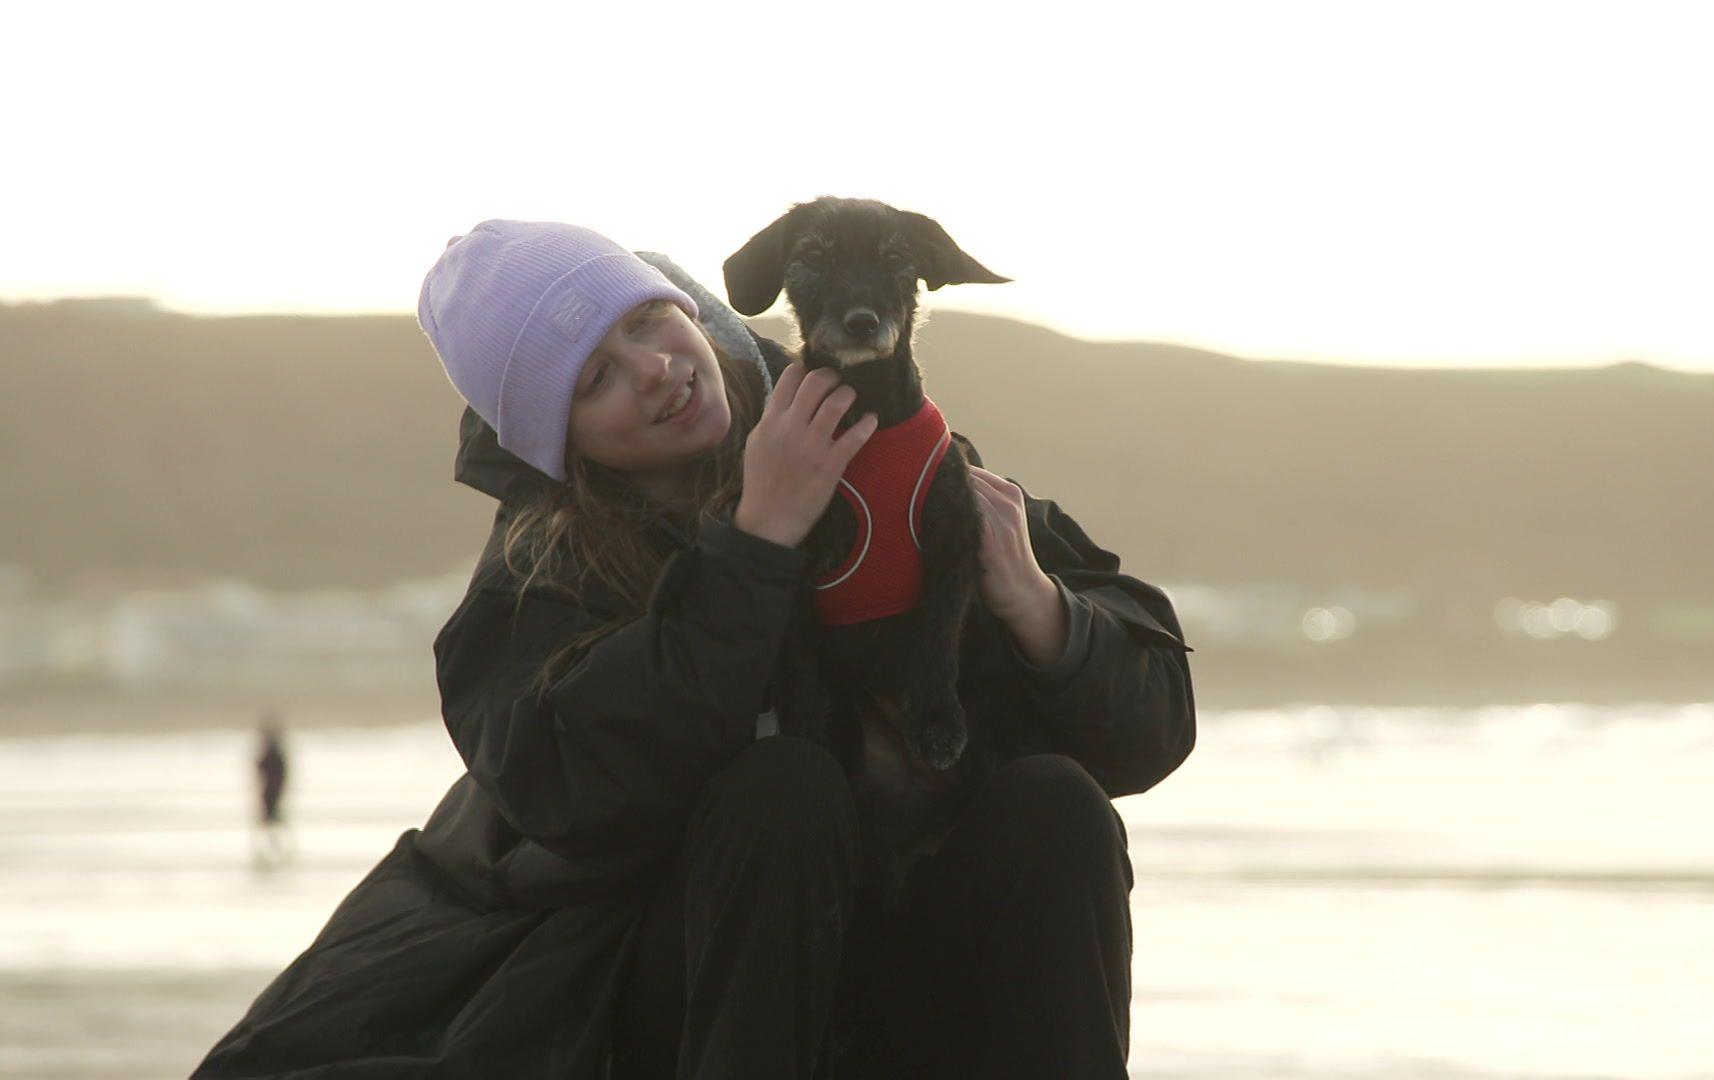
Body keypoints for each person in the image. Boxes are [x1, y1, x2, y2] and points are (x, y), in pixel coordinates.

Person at [194, 219, 1195, 1079]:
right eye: (597, 380)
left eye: (646, 322)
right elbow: (588, 794)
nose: (657, 372)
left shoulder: (881, 448)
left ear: (684, 304)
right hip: (683, 1006)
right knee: (781, 791)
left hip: (910, 956)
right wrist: (757, 543)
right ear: (561, 439)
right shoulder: (538, 583)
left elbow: (1151, 730)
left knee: (1053, 804)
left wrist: (1039, 604)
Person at [251, 710, 290, 866]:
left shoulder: (272, 753)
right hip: (272, 789)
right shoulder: (274, 752)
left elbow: (264, 768)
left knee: (271, 819)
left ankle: (273, 847)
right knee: (272, 819)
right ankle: (273, 847)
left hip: (271, 790)